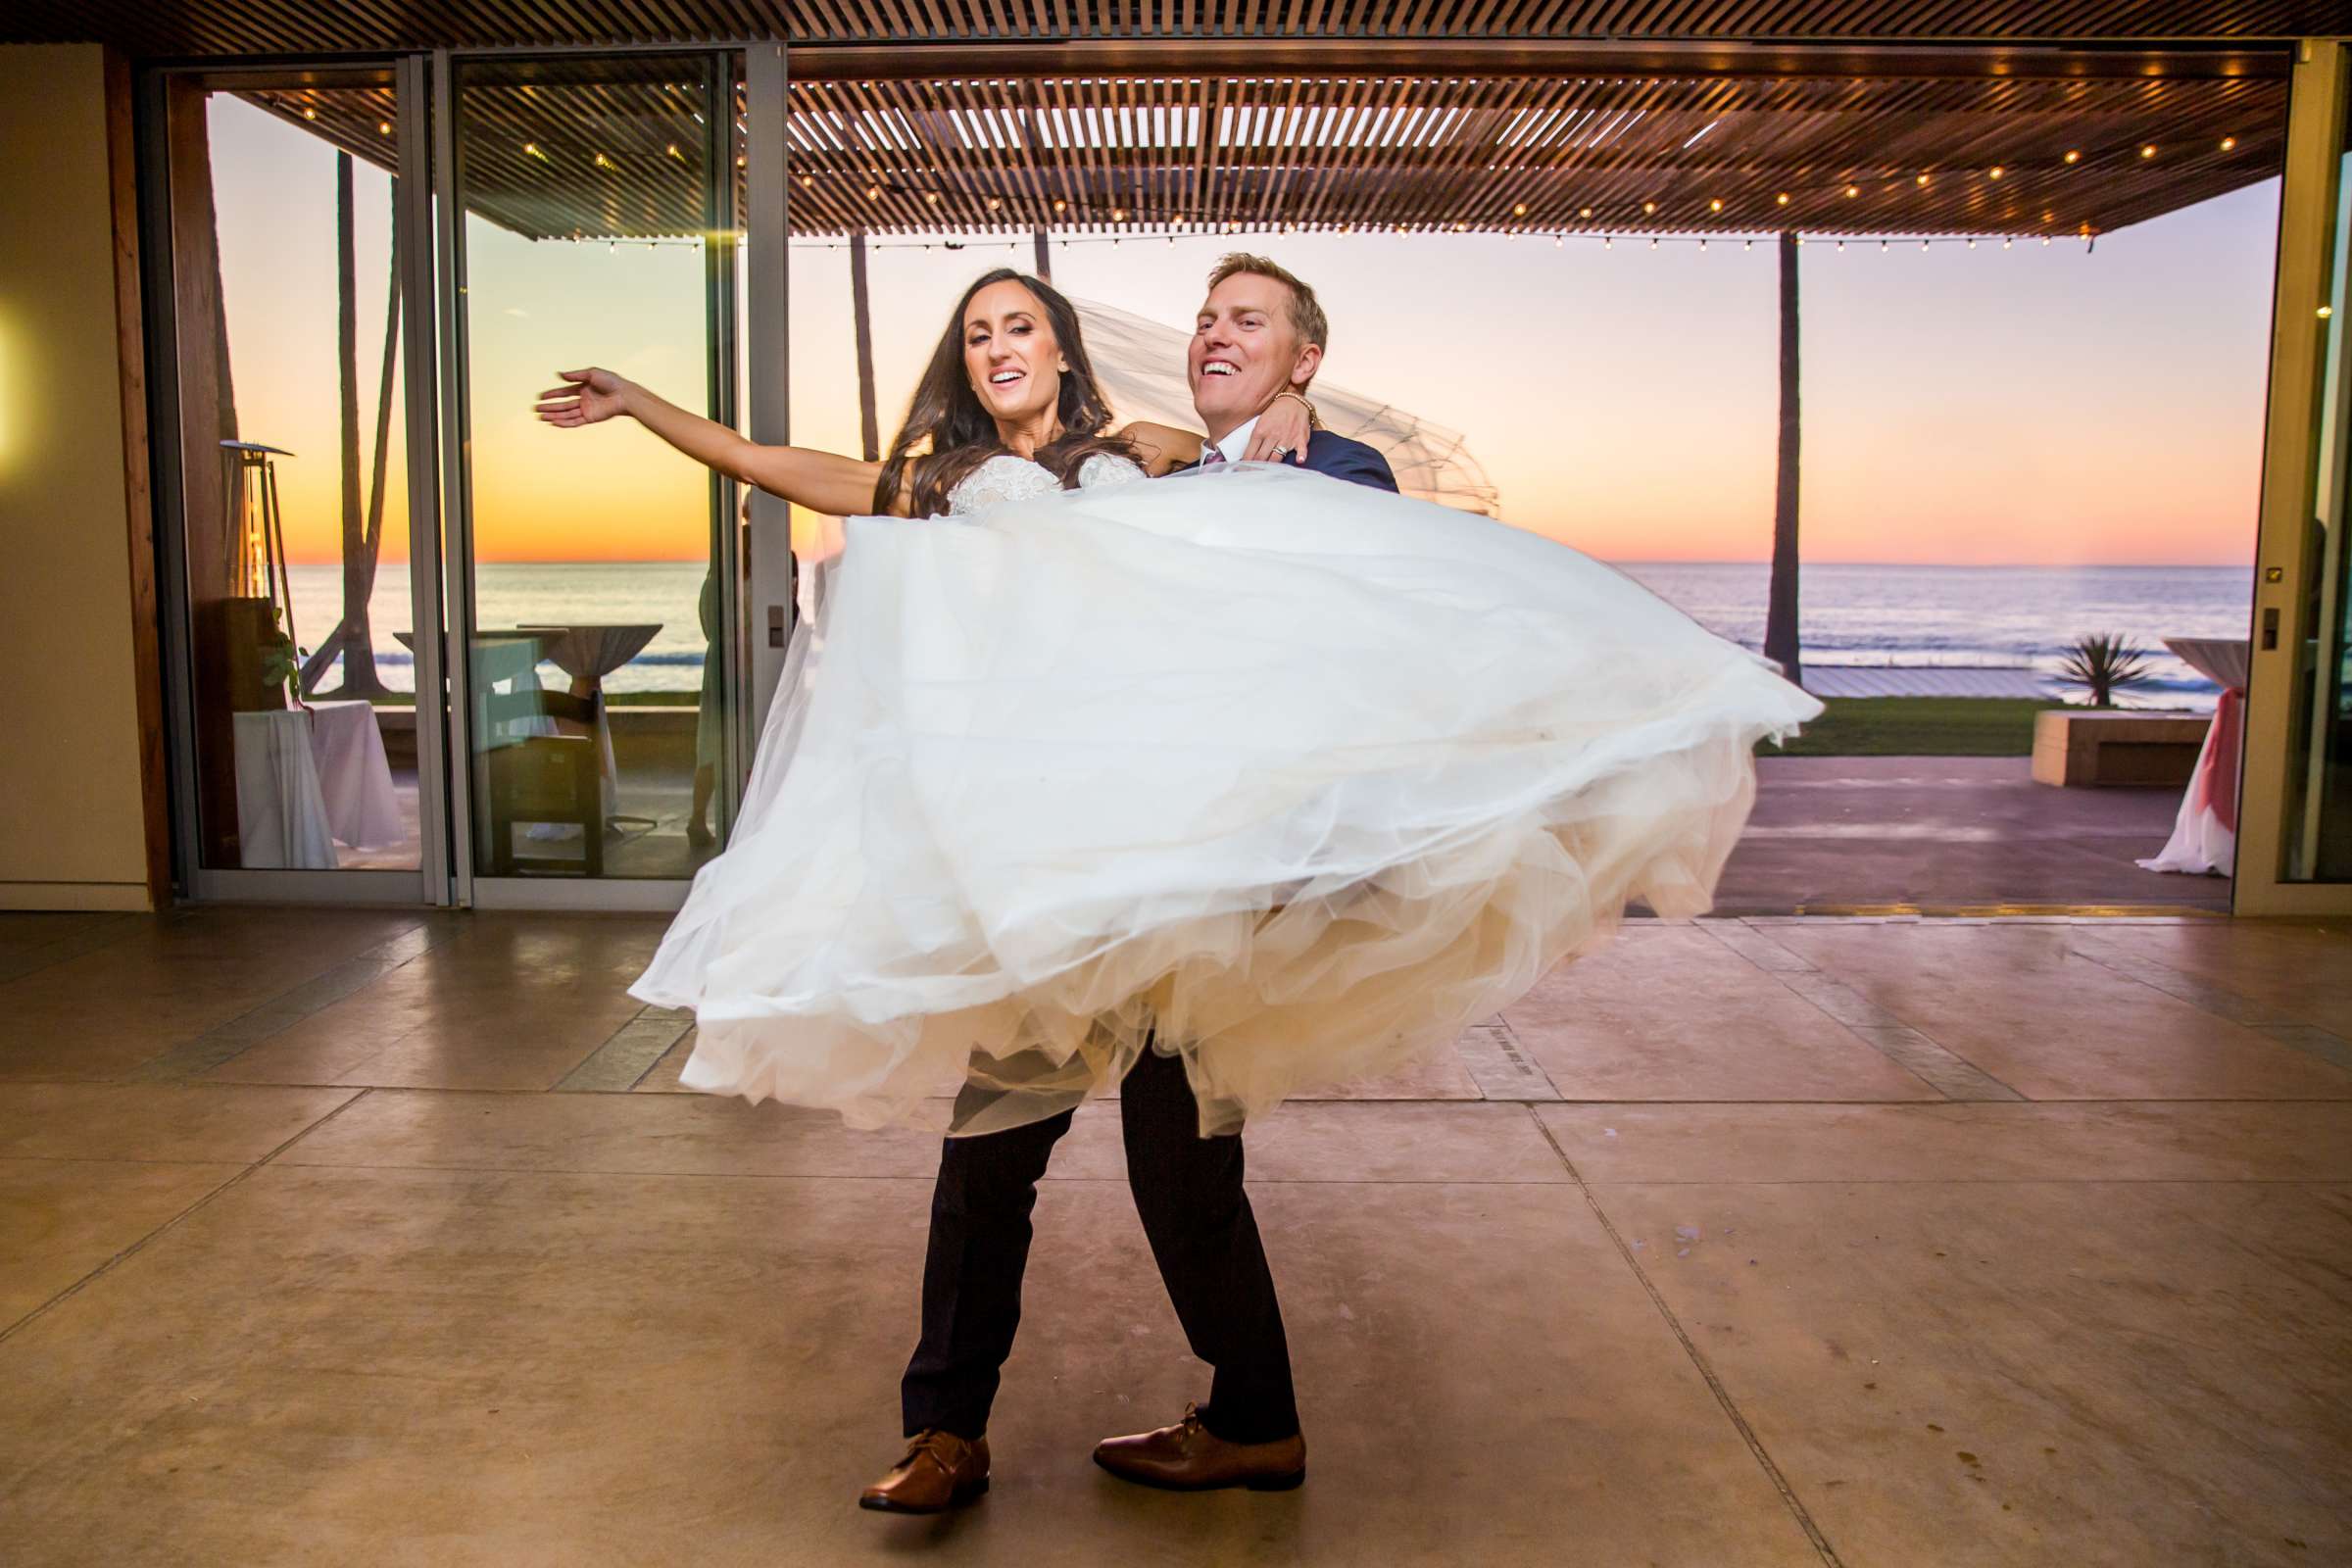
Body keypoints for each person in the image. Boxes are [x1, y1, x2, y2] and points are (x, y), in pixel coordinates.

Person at [538, 257, 1822, 1517]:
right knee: (987, 1162)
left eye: (1022, 325)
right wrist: (646, 408)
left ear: (1058, 350)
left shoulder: (1147, 453)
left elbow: (1279, 522)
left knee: (1185, 1168)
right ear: (966, 361)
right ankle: (943, 1433)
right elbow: (780, 466)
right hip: (1039, 878)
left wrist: (1302, 431)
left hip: (1173, 877)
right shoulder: (935, 482)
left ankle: (1257, 1423)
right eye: (979, 330)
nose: (1000, 346)